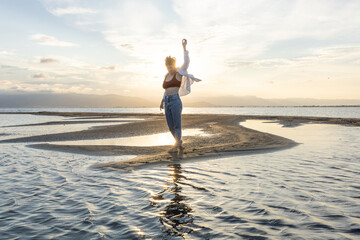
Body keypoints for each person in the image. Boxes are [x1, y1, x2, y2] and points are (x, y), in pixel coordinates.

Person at [160, 39, 201, 153]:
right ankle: (178, 142)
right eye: (168, 66)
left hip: (175, 101)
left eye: (171, 66)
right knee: (170, 126)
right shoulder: (166, 75)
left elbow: (187, 62)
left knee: (177, 125)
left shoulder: (179, 73)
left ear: (174, 65)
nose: (169, 68)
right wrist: (162, 101)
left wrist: (184, 48)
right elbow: (166, 90)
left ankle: (177, 144)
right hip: (167, 101)